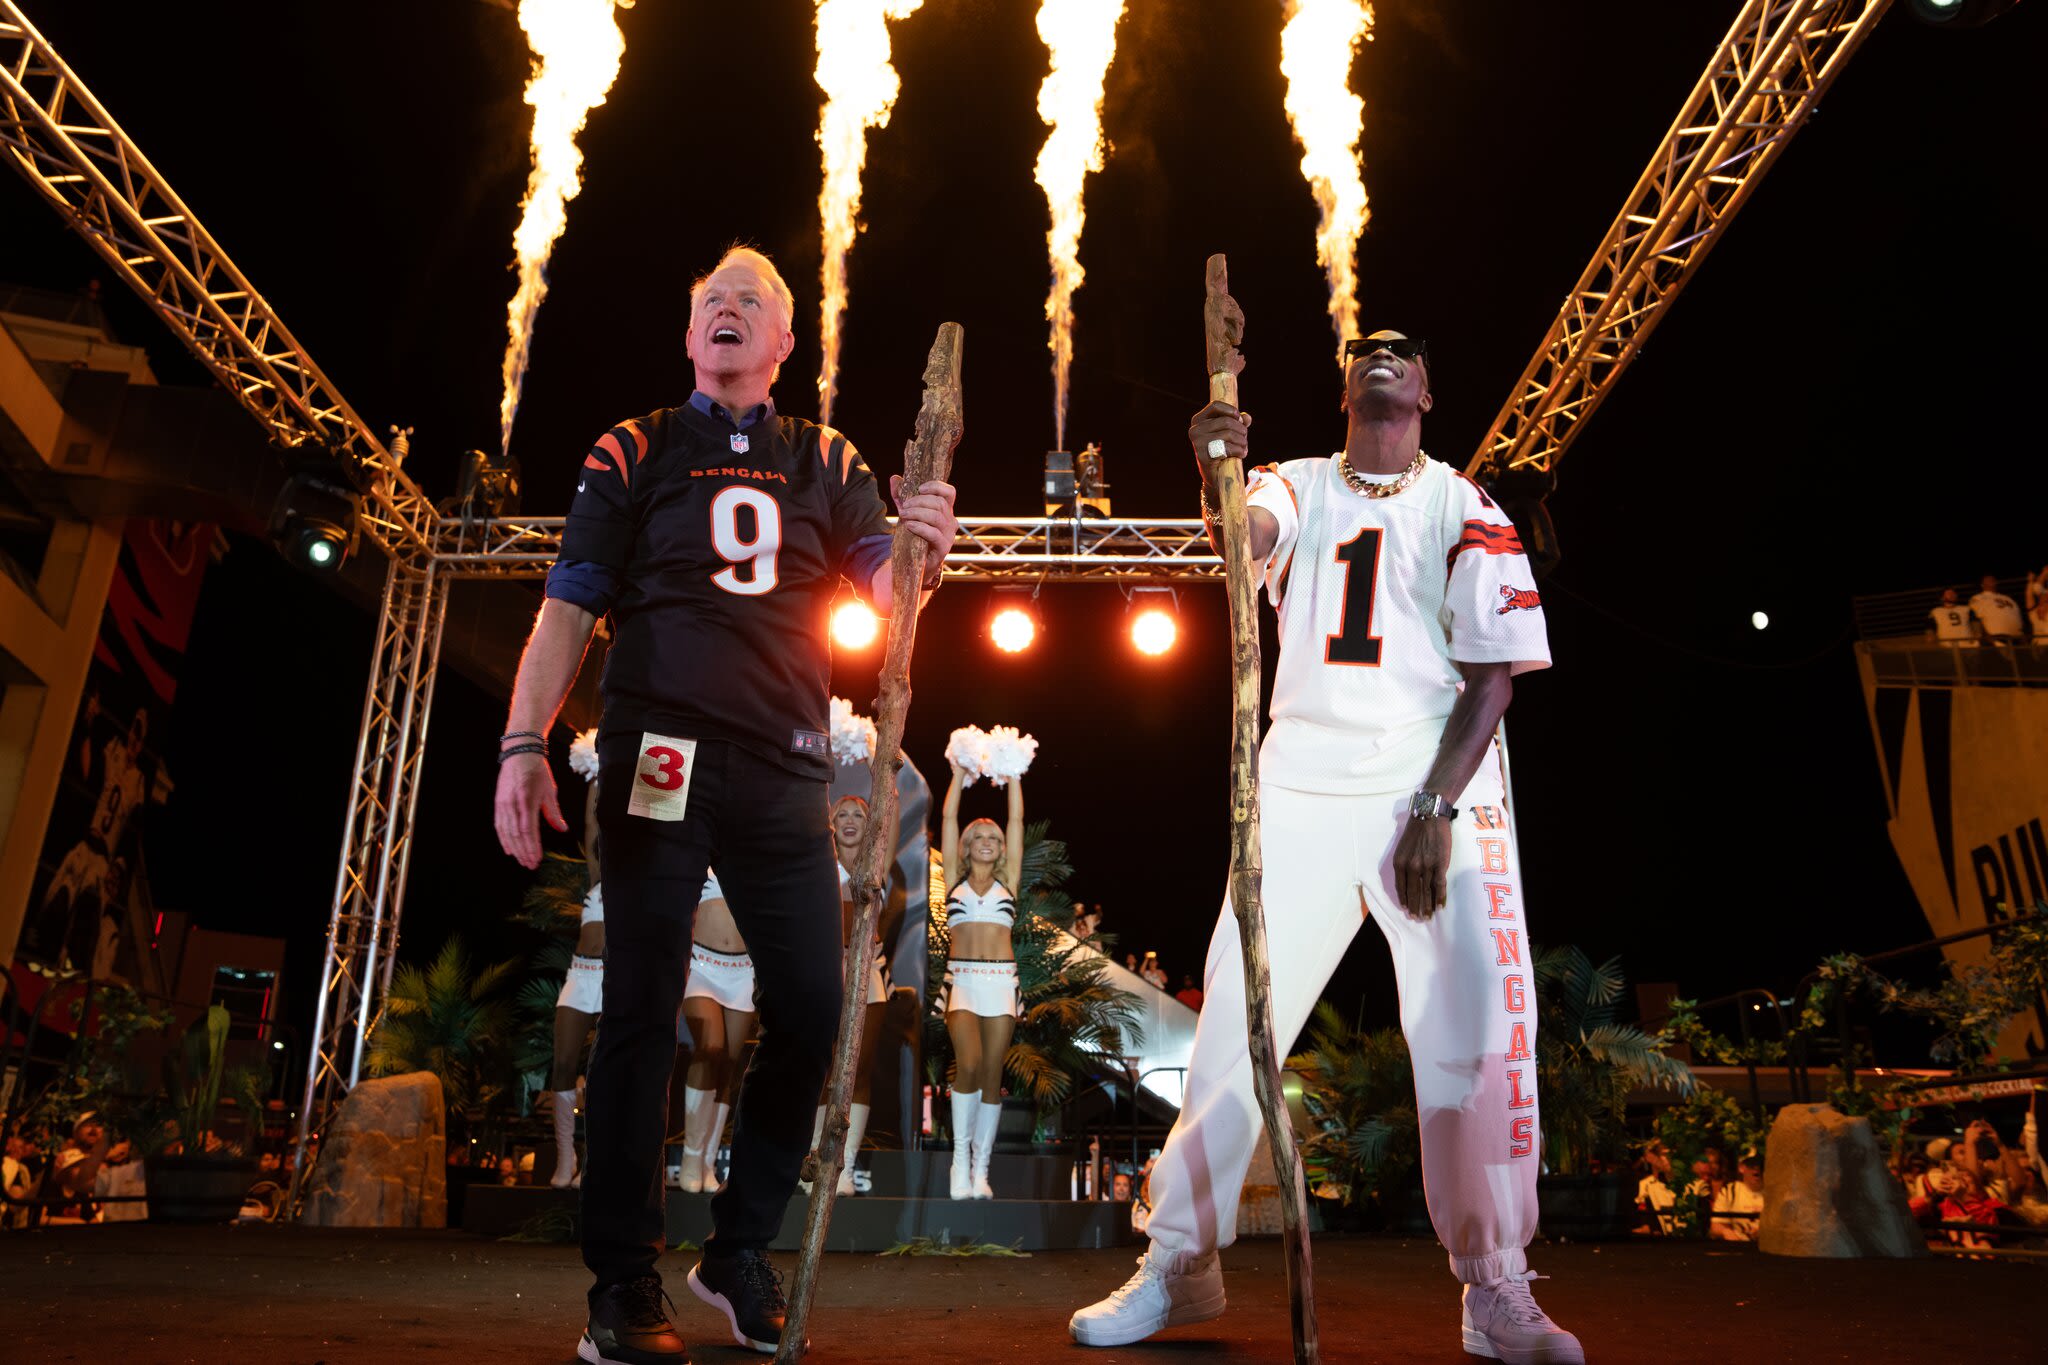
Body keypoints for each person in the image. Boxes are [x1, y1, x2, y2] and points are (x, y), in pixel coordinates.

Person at [492, 245, 958, 1364]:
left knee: (813, 1005)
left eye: (749, 301)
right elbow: (569, 605)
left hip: (784, 764)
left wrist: (925, 548)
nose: (725, 310)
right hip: (660, 751)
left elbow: (889, 592)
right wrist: (522, 741)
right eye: (710, 301)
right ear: (690, 334)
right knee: (641, 1004)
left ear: (784, 342)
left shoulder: (826, 456)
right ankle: (621, 1280)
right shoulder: (634, 447)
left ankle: (738, 1248)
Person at [1070, 331, 1576, 1362]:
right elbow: (1240, 539)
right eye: (1362, 349)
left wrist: (1433, 808)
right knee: (1234, 1026)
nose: (1379, 355)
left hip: (1436, 787)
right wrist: (1212, 467)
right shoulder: (1295, 481)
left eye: (1402, 351)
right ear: (1343, 386)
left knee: (1474, 1032)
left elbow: (1492, 680)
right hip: (1300, 782)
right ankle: (1179, 1261)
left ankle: (1495, 1286)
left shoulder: (1463, 503)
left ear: (1427, 389)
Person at [940, 759, 1025, 1201]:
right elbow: (948, 818)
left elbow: (1017, 821)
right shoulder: (953, 879)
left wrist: (1014, 776)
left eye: (994, 838)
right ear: (967, 846)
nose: (988, 841)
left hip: (1001, 982)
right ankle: (959, 1161)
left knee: (992, 1073)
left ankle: (980, 1170)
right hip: (962, 980)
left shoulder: (1008, 880)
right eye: (980, 836)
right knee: (969, 1062)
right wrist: (958, 773)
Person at [812, 794, 889, 1196]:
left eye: (858, 814)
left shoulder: (877, 865)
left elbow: (889, 811)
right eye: (841, 813)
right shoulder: (819, 866)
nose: (849, 819)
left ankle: (845, 1165)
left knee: (859, 1068)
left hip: (870, 973)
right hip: (828, 970)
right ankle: (816, 1161)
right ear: (830, 823)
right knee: (825, 1067)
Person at [675, 871, 754, 1194]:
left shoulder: (754, 853)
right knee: (710, 1048)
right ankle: (691, 1157)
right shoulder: (701, 851)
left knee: (728, 1066)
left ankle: (707, 1162)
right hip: (700, 964)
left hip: (743, 970)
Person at [550, 733, 606, 1190]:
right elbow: (591, 825)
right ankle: (565, 1158)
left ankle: (595, 1160)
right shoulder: (597, 877)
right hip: (580, 974)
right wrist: (596, 768)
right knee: (564, 1061)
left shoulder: (640, 882)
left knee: (604, 1070)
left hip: (615, 978)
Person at [1708, 1153, 1764, 1242]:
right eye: (1751, 1165)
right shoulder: (1729, 1191)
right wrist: (1726, 1232)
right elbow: (1716, 1225)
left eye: (1760, 1164)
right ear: (1741, 1168)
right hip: (1738, 1245)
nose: (1756, 1168)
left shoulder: (1775, 1193)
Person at [1635, 1141, 1679, 1235]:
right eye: (1663, 1154)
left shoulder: (1681, 1183)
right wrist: (1647, 1226)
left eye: (1668, 1155)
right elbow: (1643, 1208)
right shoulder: (1646, 1184)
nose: (1666, 1159)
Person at [1970, 574, 2025, 643]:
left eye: (1993, 580)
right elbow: (1976, 617)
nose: (1992, 581)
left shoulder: (2007, 598)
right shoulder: (1978, 598)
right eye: (1988, 580)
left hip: (2017, 636)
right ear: (1982, 585)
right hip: (1996, 636)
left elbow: (2018, 615)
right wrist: (1985, 635)